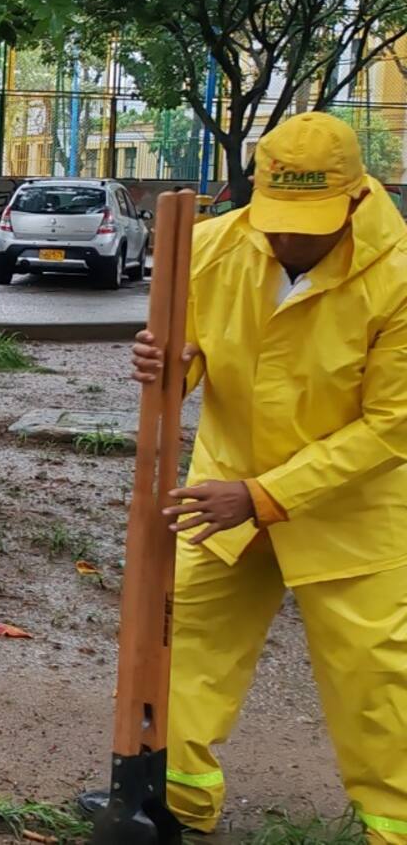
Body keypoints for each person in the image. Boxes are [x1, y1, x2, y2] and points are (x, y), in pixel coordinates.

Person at [84, 112, 407, 842]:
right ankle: (176, 796)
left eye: (309, 222)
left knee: (376, 681)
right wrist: (172, 367)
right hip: (223, 488)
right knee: (185, 642)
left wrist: (264, 498)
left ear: (360, 199)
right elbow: (197, 352)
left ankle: (396, 824)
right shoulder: (207, 246)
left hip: (347, 509)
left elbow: (392, 424)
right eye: (277, 220)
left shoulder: (399, 277)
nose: (286, 238)